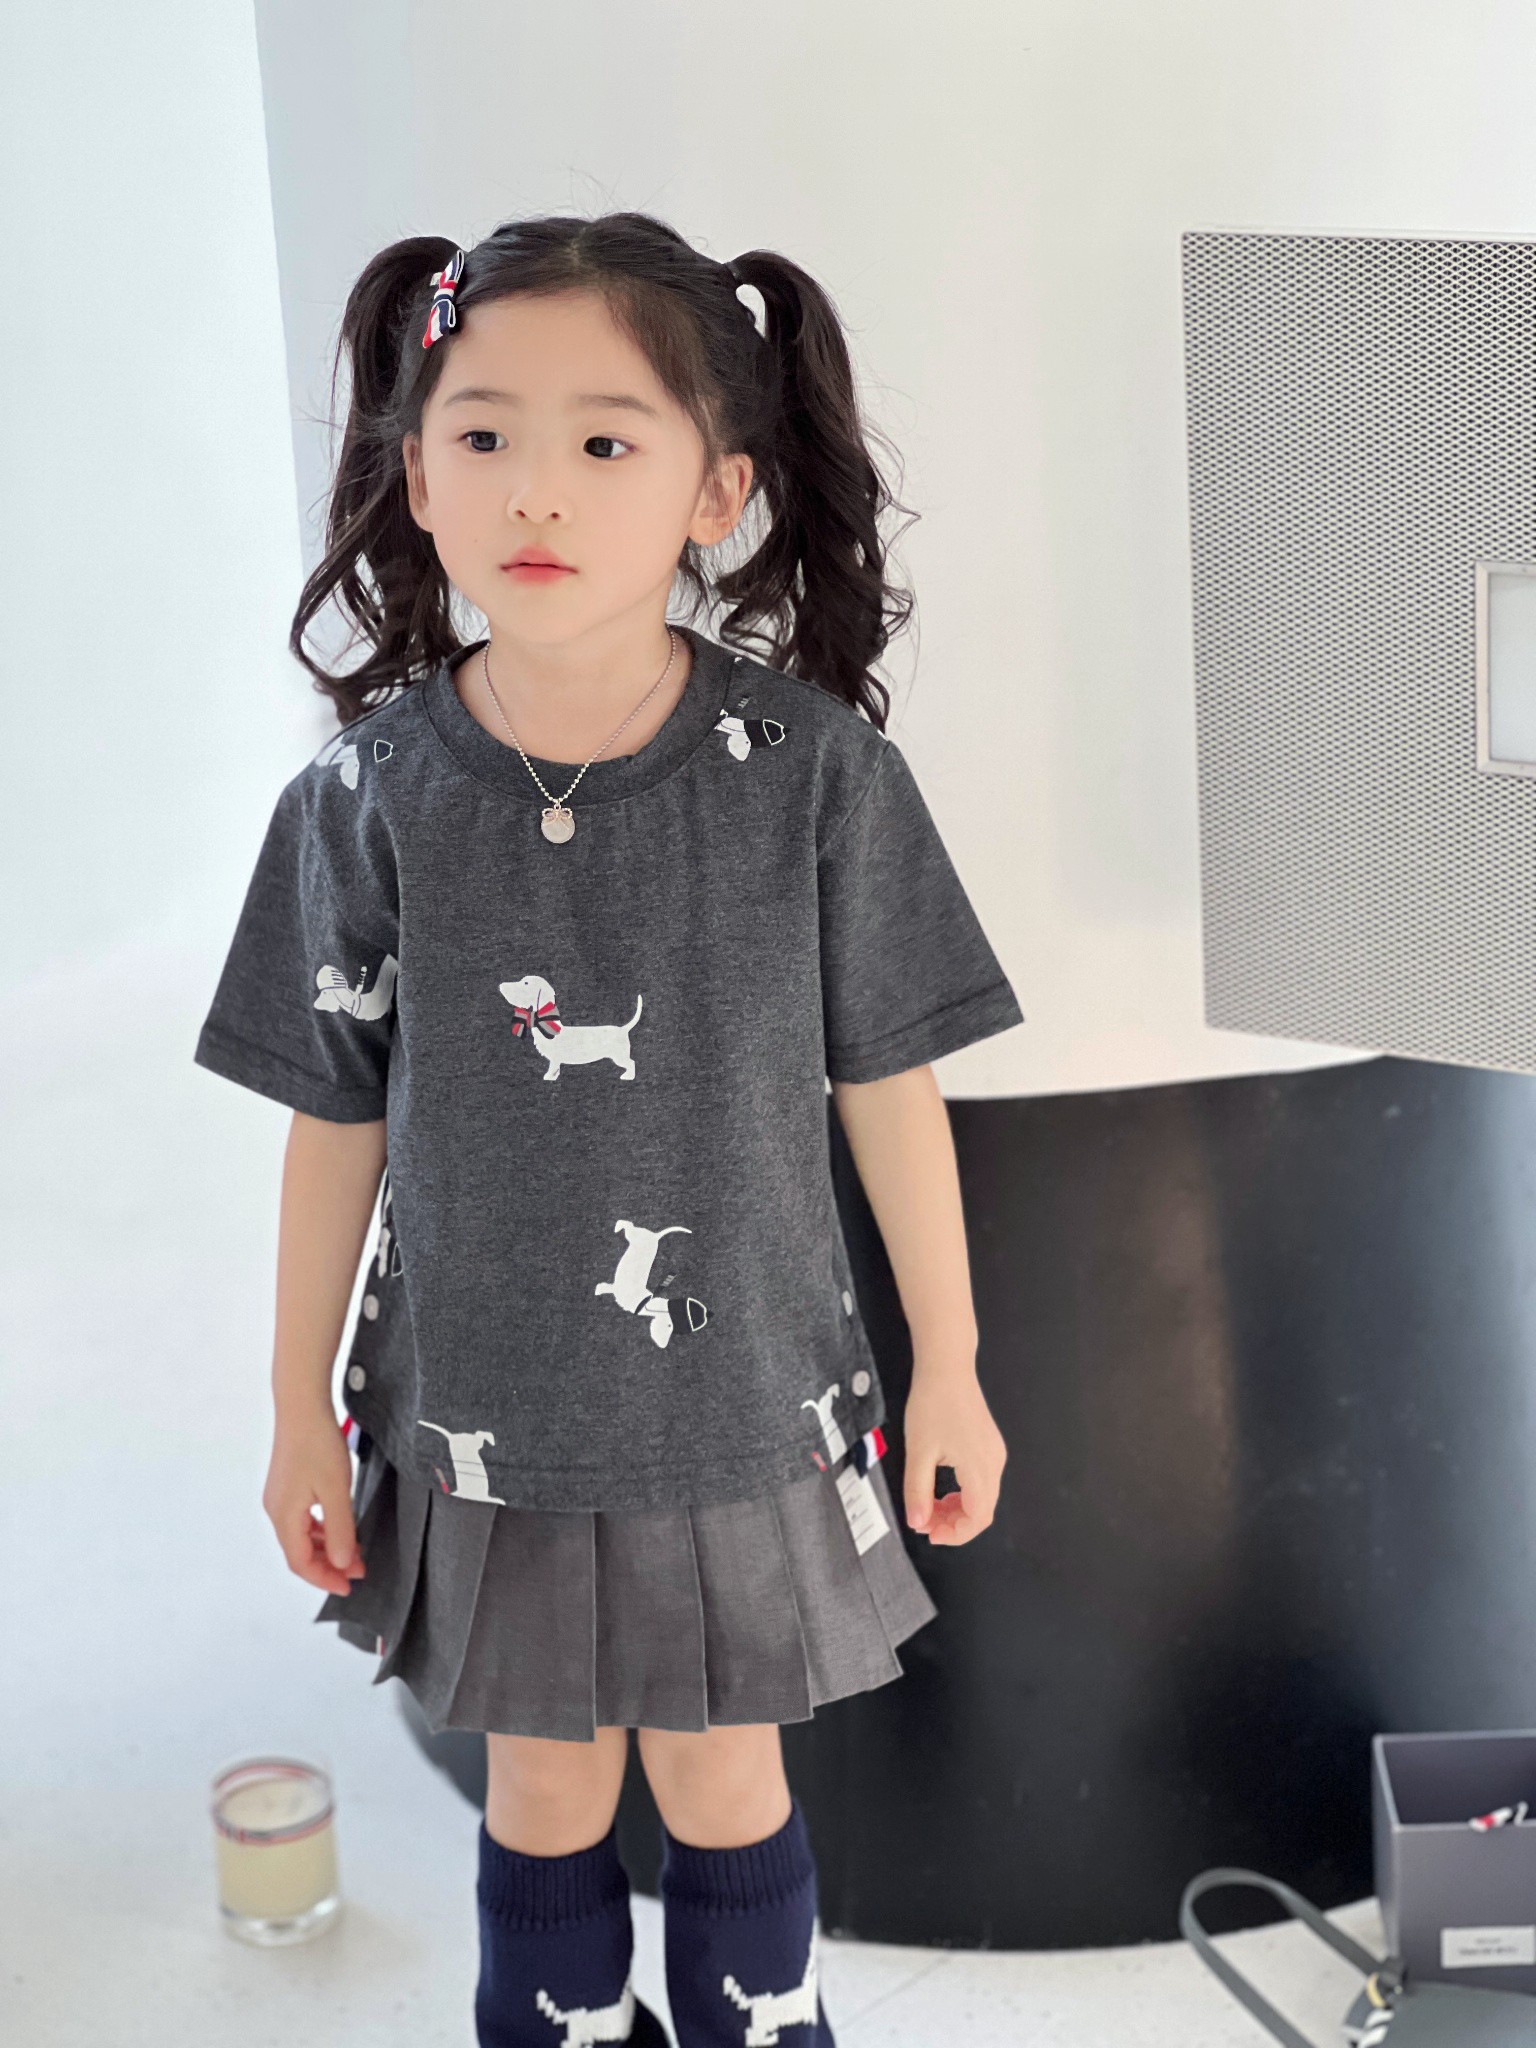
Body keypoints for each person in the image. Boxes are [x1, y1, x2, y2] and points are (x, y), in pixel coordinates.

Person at [193, 209, 1025, 2047]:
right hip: (482, 1413)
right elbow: (335, 1122)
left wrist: (952, 1368)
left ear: (717, 489)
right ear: (415, 474)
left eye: (603, 439)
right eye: (483, 433)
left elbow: (892, 1085)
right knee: (544, 1783)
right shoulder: (363, 797)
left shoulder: (816, 777)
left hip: (743, 1404)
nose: (536, 489)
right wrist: (293, 1407)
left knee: (726, 1776)